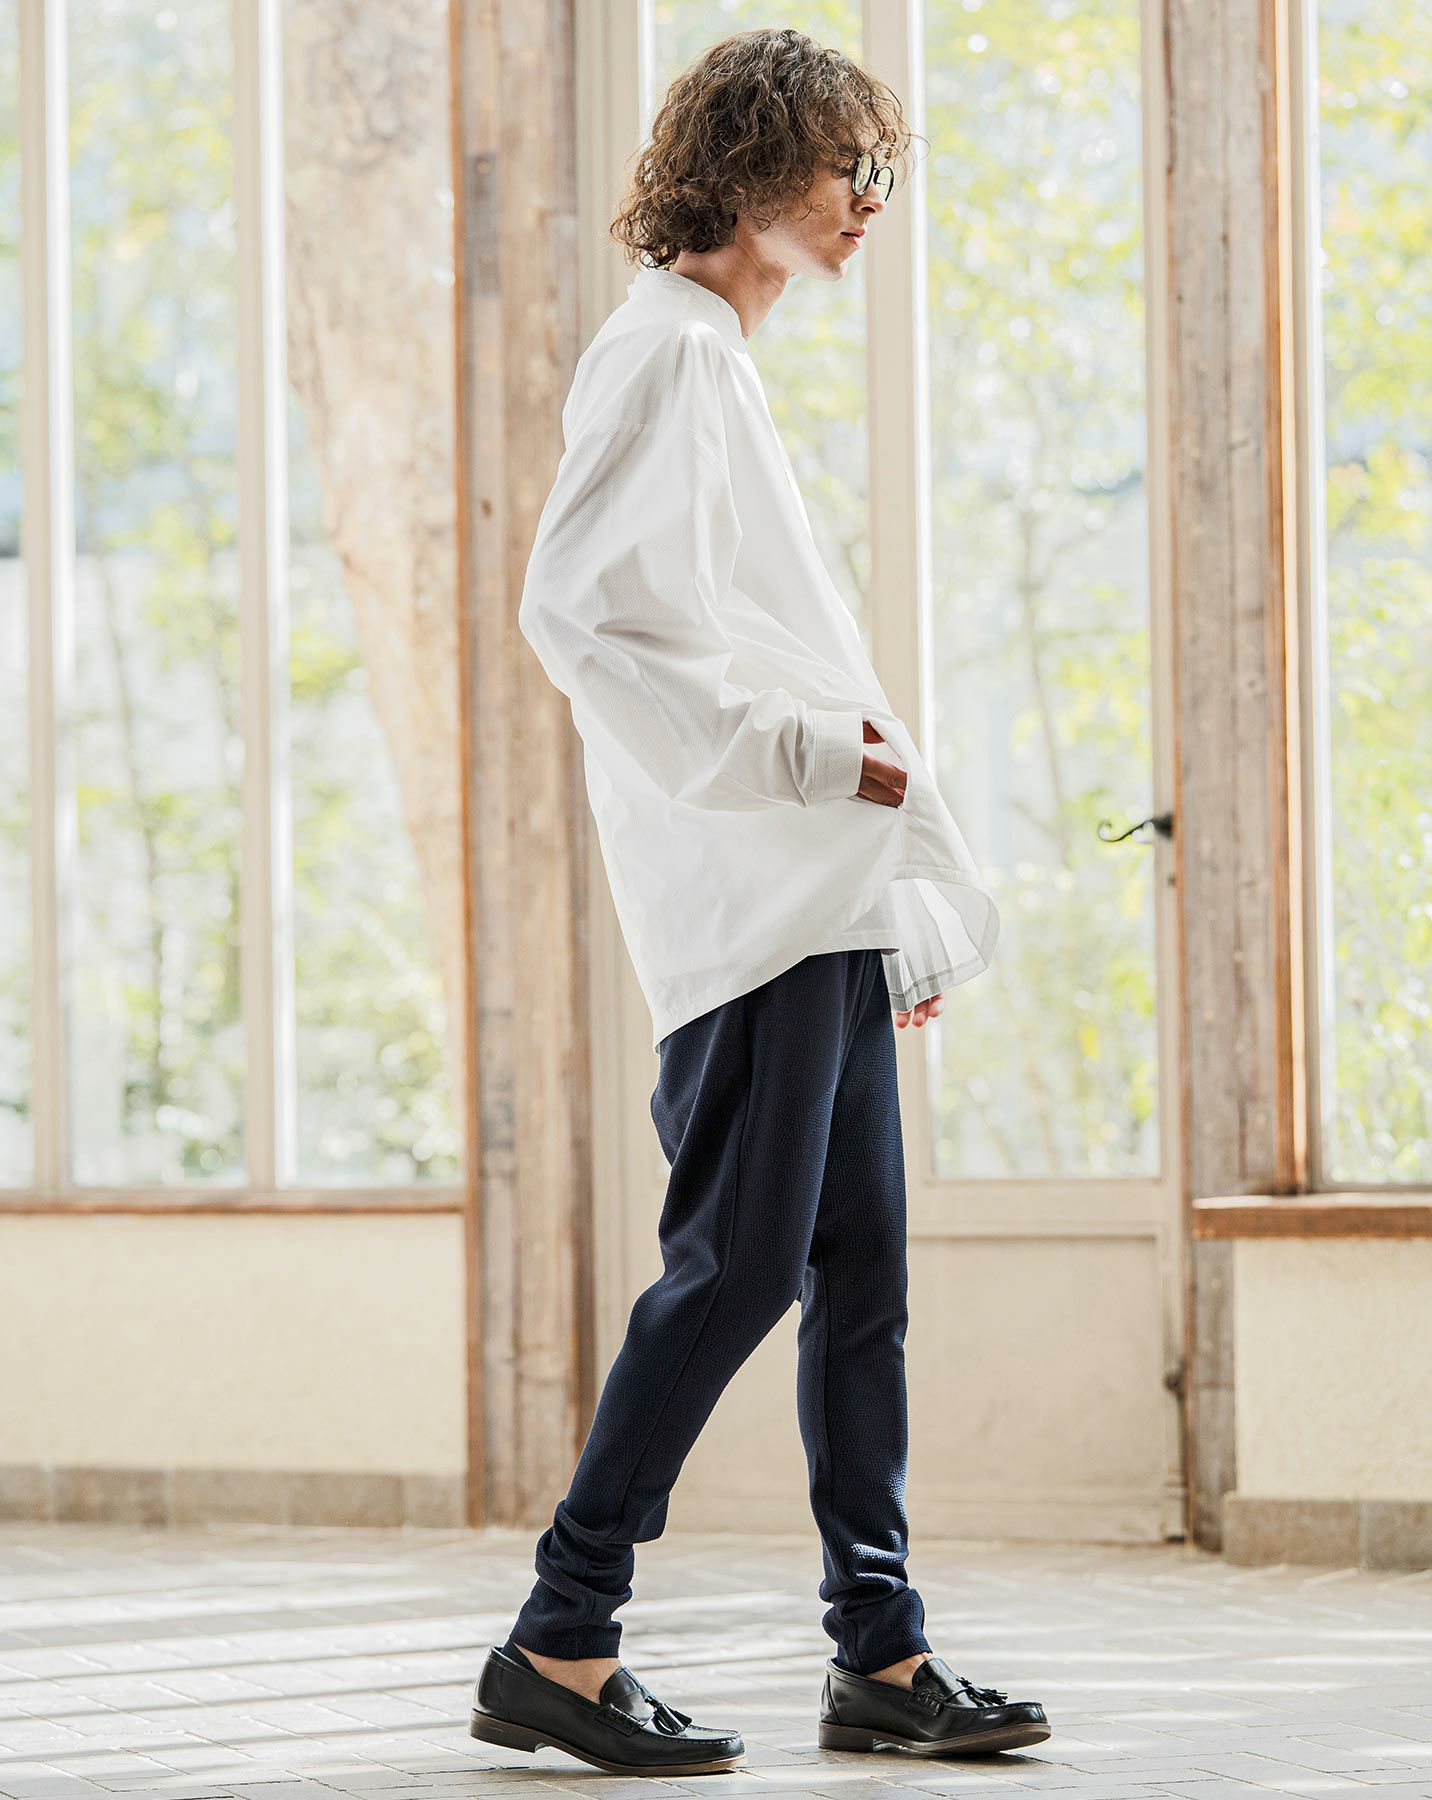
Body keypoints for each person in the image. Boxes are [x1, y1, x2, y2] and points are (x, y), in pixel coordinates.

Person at [469, 26, 1051, 1780]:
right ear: (745, 168)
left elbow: (751, 639)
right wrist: (814, 762)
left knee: (858, 1285)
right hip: (757, 912)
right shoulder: (665, 350)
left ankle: (883, 1657)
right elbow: (578, 615)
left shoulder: (712, 358)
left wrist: (886, 894)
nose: (869, 200)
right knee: (734, 1274)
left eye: (879, 171)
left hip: (820, 909)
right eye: (839, 166)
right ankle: (559, 1638)